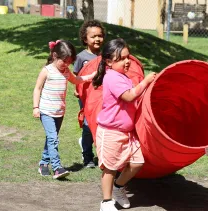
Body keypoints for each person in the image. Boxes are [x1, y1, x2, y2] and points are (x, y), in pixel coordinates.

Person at [92, 39, 156, 211]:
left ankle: (119, 188)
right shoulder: (112, 77)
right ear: (109, 62)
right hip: (111, 132)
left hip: (127, 133)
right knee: (109, 169)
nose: (127, 61)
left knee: (137, 163)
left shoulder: (123, 76)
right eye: (122, 59)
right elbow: (129, 96)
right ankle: (106, 202)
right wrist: (146, 82)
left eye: (128, 57)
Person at [33, 40, 96, 179]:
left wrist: (91, 76)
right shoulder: (47, 70)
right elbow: (37, 89)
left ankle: (43, 163)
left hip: (59, 113)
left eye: (69, 62)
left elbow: (77, 80)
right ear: (55, 56)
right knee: (53, 139)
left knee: (51, 138)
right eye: (64, 61)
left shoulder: (66, 72)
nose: (67, 65)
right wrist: (36, 107)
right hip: (46, 112)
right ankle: (57, 168)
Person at [74, 20, 105, 168]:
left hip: (102, 97)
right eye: (93, 36)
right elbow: (75, 75)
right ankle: (87, 156)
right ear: (85, 39)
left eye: (100, 36)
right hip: (86, 98)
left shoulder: (106, 56)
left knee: (101, 124)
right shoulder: (81, 57)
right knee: (87, 125)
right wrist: (76, 88)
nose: (97, 39)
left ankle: (104, 154)